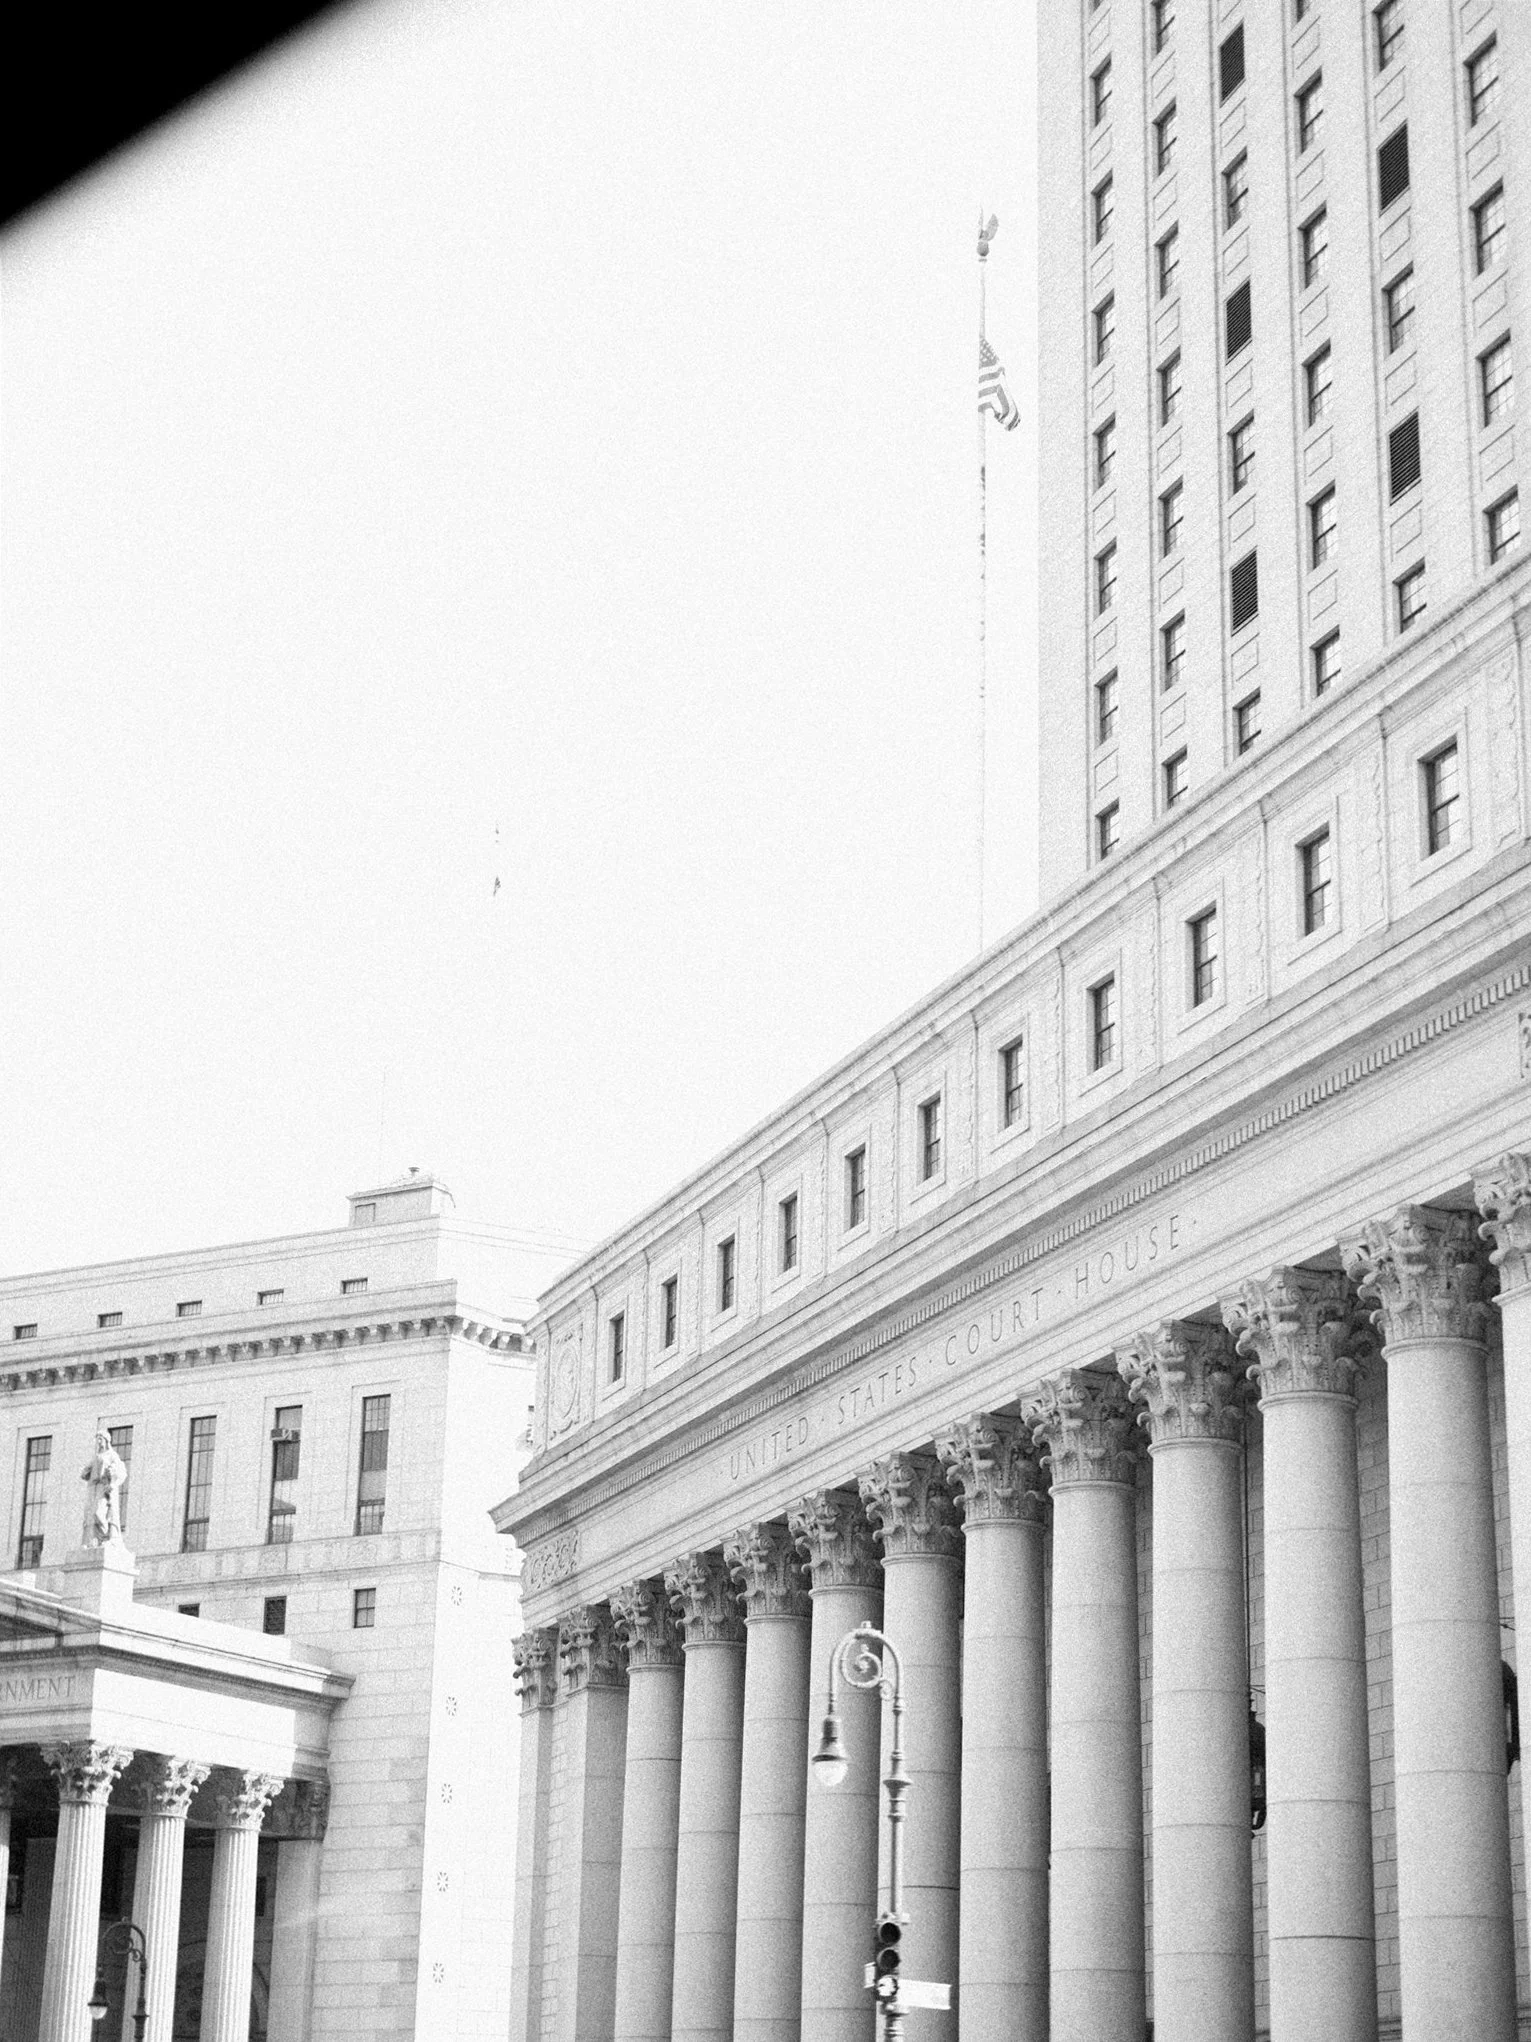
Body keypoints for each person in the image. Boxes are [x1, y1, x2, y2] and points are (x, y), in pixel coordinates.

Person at [81, 1428, 128, 1545]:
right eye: (97, 1439)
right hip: (93, 1488)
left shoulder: (112, 1455)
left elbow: (121, 1472)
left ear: (106, 1440)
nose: (98, 1442)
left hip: (104, 1487)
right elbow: (85, 1472)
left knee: (99, 1513)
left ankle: (106, 1537)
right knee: (90, 1515)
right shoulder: (96, 1456)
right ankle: (95, 1540)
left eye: (100, 1439)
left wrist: (112, 1481)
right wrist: (86, 1472)